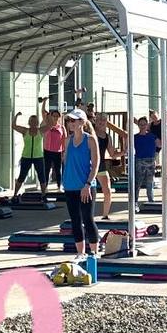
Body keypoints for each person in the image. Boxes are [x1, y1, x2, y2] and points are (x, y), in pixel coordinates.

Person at [62, 107, 100, 262]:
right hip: (70, 186)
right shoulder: (67, 140)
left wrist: (88, 183)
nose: (70, 123)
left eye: (73, 120)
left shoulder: (90, 140)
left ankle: (94, 252)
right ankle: (80, 253)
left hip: (86, 186)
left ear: (82, 122)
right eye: (69, 120)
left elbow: (96, 164)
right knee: (75, 220)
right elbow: (66, 161)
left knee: (88, 218)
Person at [93, 113, 127, 220]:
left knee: (107, 190)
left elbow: (112, 154)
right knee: (87, 191)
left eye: (103, 120)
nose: (101, 122)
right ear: (95, 121)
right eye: (99, 120)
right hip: (88, 165)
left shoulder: (107, 136)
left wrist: (124, 152)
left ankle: (105, 215)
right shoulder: (90, 134)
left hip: (101, 165)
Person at [12, 109, 45, 201]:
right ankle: (15, 194)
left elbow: (50, 125)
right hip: (26, 156)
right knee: (22, 176)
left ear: (37, 123)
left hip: (38, 157)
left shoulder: (40, 131)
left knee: (41, 176)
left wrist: (48, 115)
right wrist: (16, 116)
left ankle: (44, 195)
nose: (33, 123)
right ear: (29, 122)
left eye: (35, 121)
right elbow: (14, 126)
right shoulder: (25, 131)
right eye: (31, 121)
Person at [132, 116, 160, 209]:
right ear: (138, 125)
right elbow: (128, 147)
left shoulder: (152, 136)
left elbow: (160, 144)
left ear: (147, 125)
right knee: (138, 182)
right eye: (141, 124)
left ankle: (151, 200)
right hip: (139, 161)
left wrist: (156, 153)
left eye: (144, 124)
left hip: (151, 160)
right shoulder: (135, 137)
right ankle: (135, 202)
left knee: (150, 182)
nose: (143, 126)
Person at [41, 101, 65, 192]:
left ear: (59, 117)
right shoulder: (47, 125)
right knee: (46, 169)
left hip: (58, 151)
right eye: (53, 116)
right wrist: (44, 101)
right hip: (47, 150)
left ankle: (59, 186)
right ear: (51, 116)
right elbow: (43, 112)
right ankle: (45, 186)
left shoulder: (61, 127)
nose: (55, 117)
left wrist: (64, 151)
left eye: (56, 116)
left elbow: (64, 139)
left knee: (58, 170)